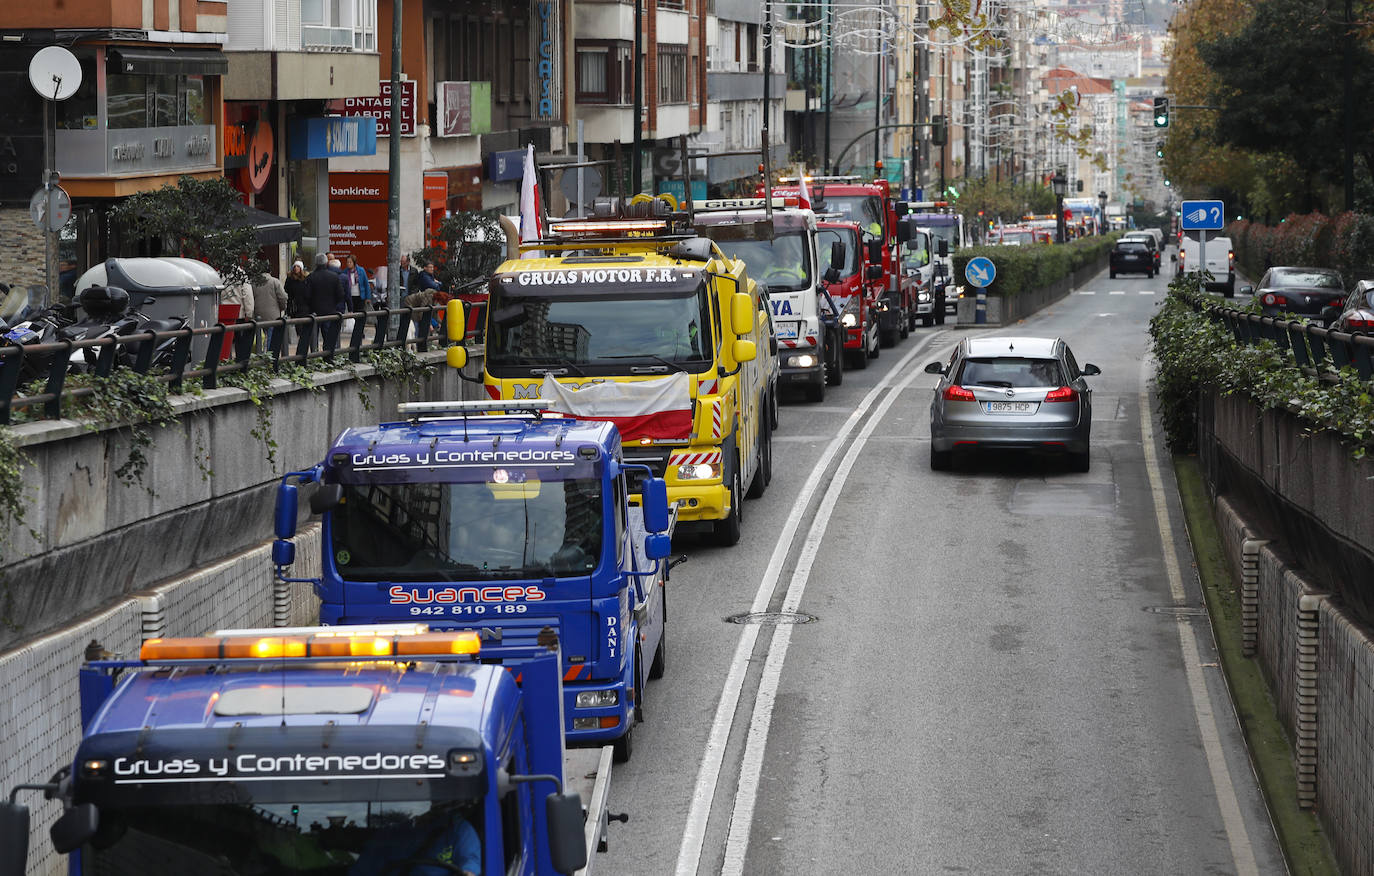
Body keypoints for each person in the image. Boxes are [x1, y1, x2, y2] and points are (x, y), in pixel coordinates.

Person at [349, 803, 480, 876]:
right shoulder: (390, 834)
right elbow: (362, 870)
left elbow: (470, 862)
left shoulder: (457, 829)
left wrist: (468, 872)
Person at [305, 253, 347, 351]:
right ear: (326, 262)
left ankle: (315, 355)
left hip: (314, 312)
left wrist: (311, 306)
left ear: (316, 263)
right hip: (330, 311)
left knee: (314, 336)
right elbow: (341, 295)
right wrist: (333, 304)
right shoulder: (334, 277)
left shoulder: (311, 277)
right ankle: (328, 357)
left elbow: (306, 296)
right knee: (328, 337)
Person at [251, 270, 289, 352]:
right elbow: (283, 297)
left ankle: (259, 353)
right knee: (271, 337)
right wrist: (283, 308)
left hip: (258, 314)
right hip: (273, 315)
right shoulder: (275, 282)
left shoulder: (254, 283)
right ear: (270, 272)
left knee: (260, 335)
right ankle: (270, 355)